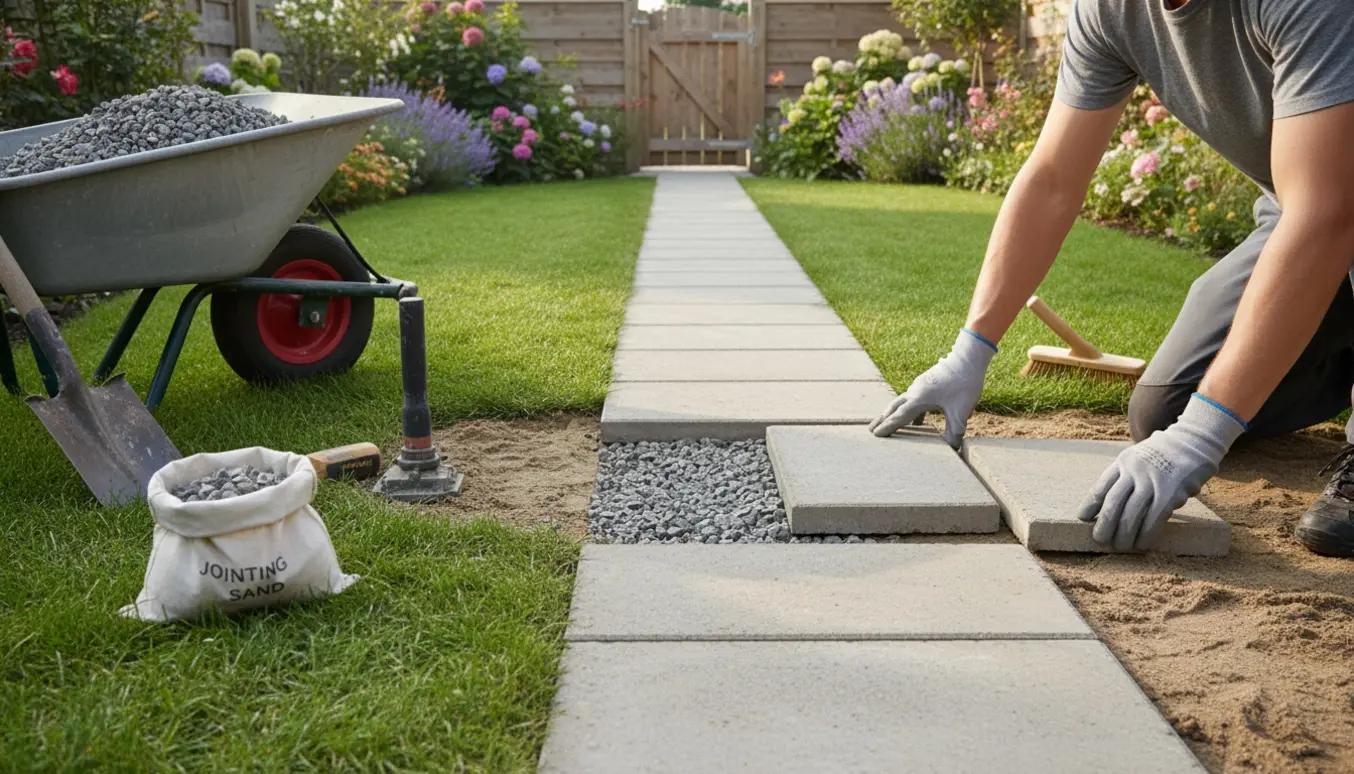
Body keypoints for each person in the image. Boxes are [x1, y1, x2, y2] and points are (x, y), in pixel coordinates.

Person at [869, 0, 1354, 557]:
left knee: (1203, 423)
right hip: (1299, 213)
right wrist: (969, 353)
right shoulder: (1111, 10)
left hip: (1330, 209)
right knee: (1168, 411)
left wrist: (1203, 436)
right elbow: (1053, 179)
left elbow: (1327, 216)